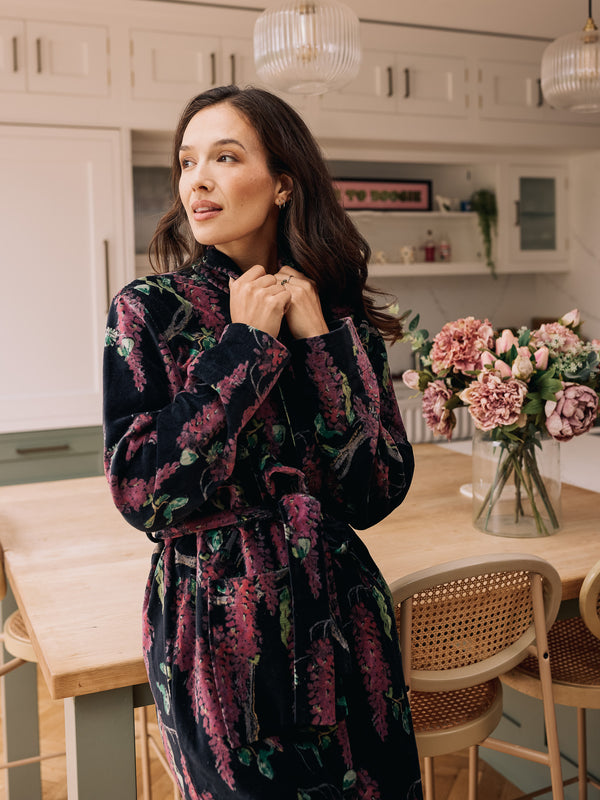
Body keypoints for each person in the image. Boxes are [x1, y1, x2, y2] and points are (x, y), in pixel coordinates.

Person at [103, 84, 422, 800]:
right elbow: (143, 495)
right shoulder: (149, 311)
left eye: (224, 156)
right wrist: (244, 346)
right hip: (216, 628)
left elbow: (373, 493)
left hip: (344, 620)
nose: (198, 180)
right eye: (187, 162)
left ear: (283, 183)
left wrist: (319, 344)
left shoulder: (337, 315)